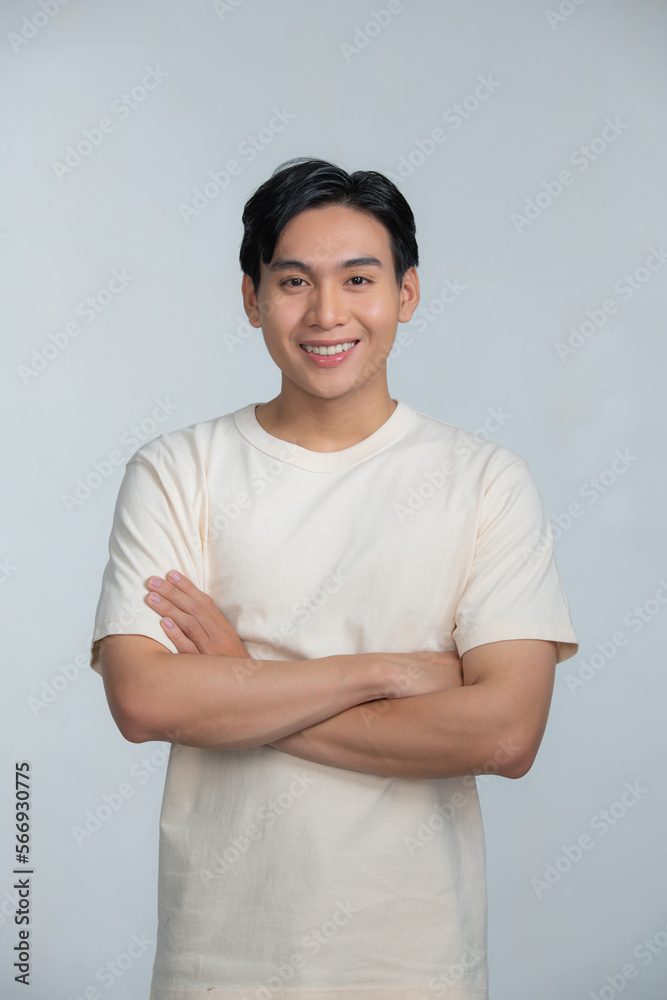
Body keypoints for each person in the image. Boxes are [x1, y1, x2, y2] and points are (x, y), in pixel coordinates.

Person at [90, 156, 579, 1000]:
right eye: (292, 282)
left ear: (407, 294)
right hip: (219, 961)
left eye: (359, 278)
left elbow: (504, 734)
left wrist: (240, 681)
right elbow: (144, 703)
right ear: (250, 298)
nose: (326, 313)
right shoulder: (178, 470)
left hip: (414, 962)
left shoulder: (484, 481)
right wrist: (387, 675)